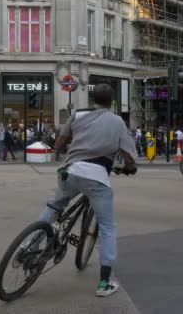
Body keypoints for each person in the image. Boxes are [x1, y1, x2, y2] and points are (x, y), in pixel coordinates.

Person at [36, 84, 137, 297]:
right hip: (96, 176)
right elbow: (128, 156)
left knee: (54, 207)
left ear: (92, 99)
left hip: (70, 171)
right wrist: (129, 167)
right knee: (108, 227)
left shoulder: (77, 115)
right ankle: (104, 283)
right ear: (111, 102)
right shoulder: (117, 121)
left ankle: (30, 246)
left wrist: (64, 151)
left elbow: (60, 142)